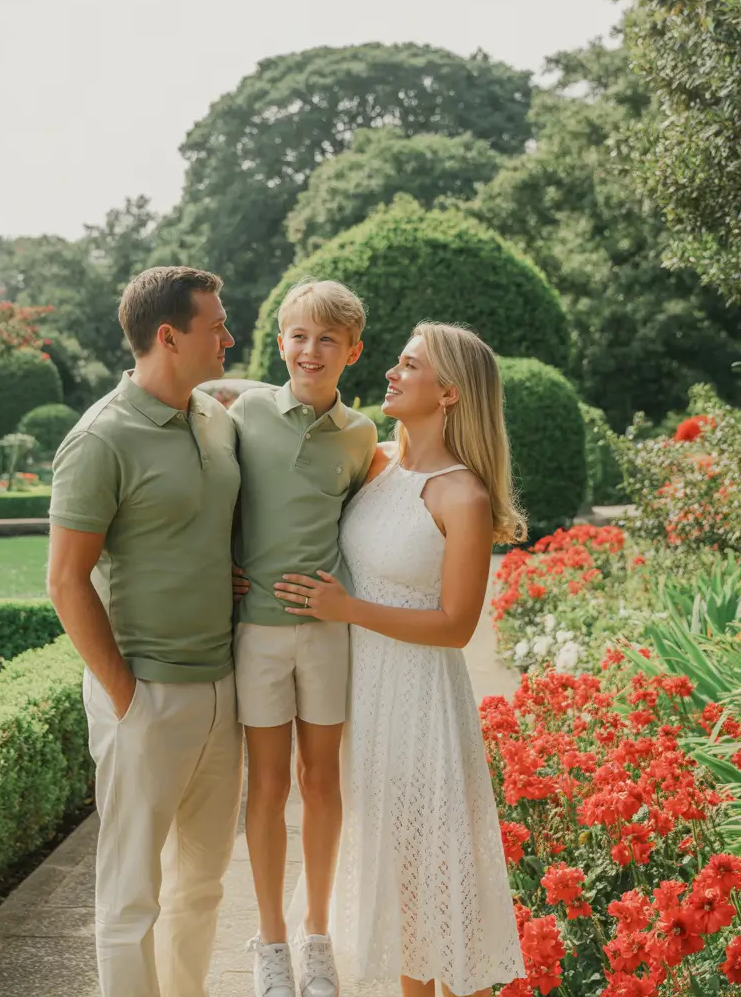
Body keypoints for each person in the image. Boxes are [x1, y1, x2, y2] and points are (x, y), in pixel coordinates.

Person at [275, 321, 528, 997]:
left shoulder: (462, 495)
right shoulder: (374, 462)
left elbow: (455, 626)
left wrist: (348, 611)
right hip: (362, 697)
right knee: (396, 884)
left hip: (420, 704)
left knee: (434, 879)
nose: (390, 372)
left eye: (409, 365)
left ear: (448, 392)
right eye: (397, 361)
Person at [47, 266, 243, 997]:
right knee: (131, 899)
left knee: (203, 885)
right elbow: (65, 581)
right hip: (146, 699)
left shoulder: (214, 419)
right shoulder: (100, 438)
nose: (230, 336)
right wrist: (128, 699)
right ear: (169, 336)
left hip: (221, 691)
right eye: (217, 325)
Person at [229, 280, 378, 997]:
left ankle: (317, 937)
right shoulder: (243, 407)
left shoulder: (361, 434)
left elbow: (363, 523)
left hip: (324, 634)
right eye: (297, 335)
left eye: (327, 339)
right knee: (267, 786)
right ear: (280, 340)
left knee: (322, 783)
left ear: (352, 351)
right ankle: (271, 943)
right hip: (255, 631)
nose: (309, 350)